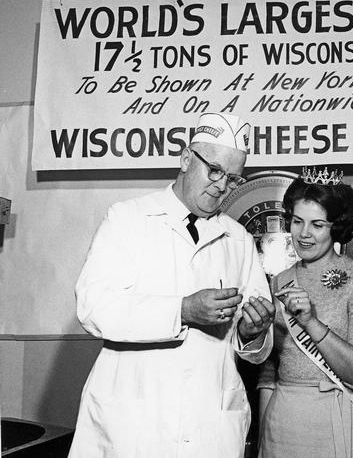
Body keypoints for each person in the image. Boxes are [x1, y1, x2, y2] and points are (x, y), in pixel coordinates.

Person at [69, 113, 275, 458]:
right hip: (134, 424)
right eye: (215, 170)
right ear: (185, 158)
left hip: (209, 424)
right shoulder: (127, 219)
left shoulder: (237, 238)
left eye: (234, 178)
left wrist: (253, 331)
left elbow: (253, 347)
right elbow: (93, 307)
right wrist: (182, 309)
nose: (222, 185)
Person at [257, 167, 353, 458]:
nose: (303, 234)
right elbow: (269, 373)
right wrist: (264, 437)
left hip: (338, 418)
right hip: (283, 424)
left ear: (337, 226)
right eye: (297, 221)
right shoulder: (279, 281)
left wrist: (311, 324)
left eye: (317, 224)